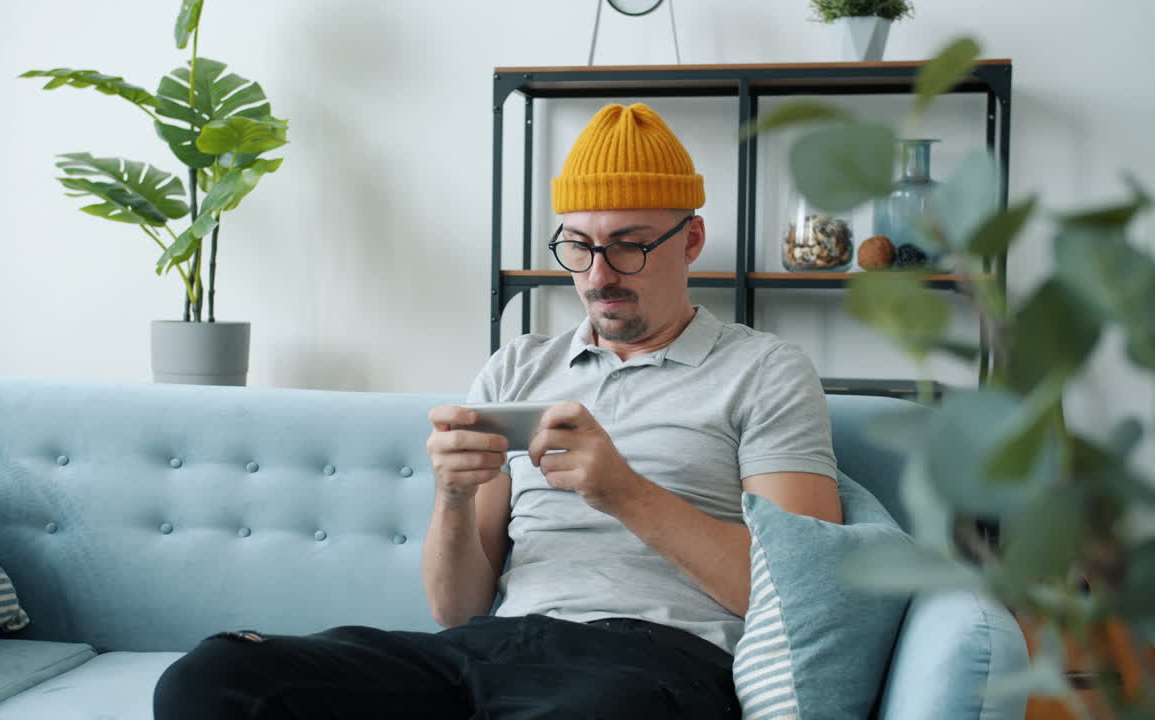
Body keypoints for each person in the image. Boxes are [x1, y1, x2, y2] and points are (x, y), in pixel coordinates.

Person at [153, 103, 842, 720]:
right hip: (483, 649)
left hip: (648, 663)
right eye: (578, 245)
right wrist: (453, 498)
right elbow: (454, 609)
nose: (598, 275)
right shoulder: (519, 366)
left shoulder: (765, 370)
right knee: (216, 676)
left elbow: (803, 598)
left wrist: (624, 492)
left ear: (689, 241)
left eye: (629, 244)